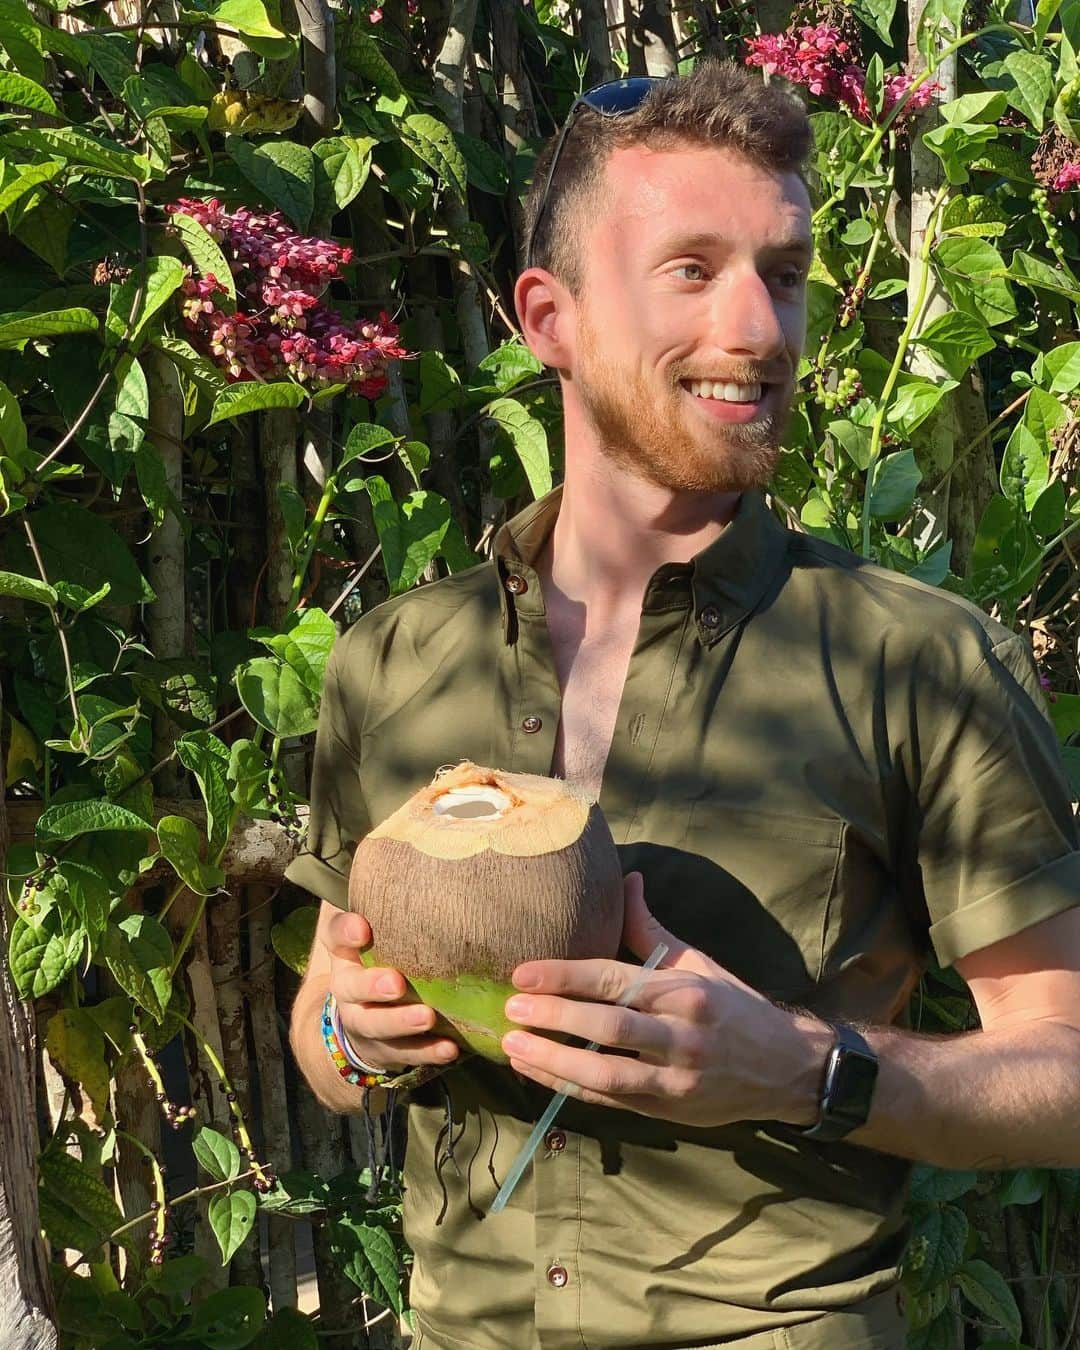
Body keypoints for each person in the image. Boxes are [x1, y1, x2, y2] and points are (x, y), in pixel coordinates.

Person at [285, 59, 1080, 1350]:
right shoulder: (393, 657)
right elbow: (326, 1019)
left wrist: (807, 1068)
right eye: (693, 270)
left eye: (783, 273)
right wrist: (356, 1035)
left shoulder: (919, 660)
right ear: (549, 316)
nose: (760, 330)